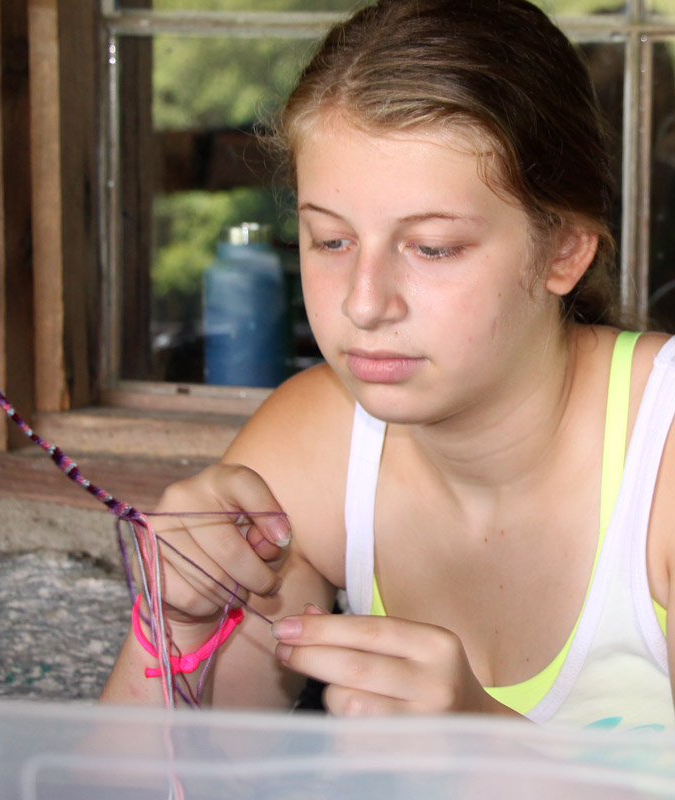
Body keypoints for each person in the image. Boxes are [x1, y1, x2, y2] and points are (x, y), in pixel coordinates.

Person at [102, 0, 675, 729]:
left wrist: (497, 754)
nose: (365, 304)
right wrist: (174, 625)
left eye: (432, 248)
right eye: (330, 241)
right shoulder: (319, 444)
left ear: (563, 249)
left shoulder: (664, 460)